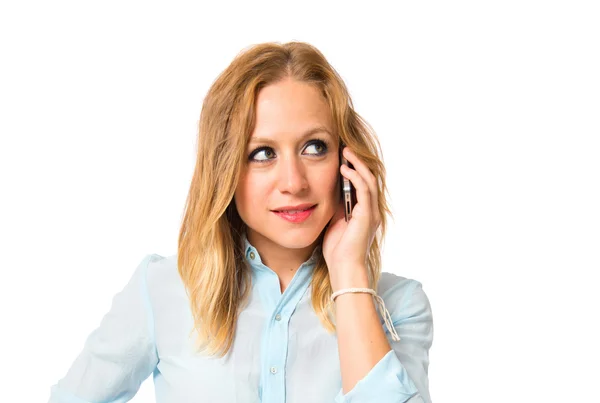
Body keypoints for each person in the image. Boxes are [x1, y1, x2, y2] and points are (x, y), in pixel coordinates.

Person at [48, 41, 434, 403]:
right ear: (225, 168)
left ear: (347, 164)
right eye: (263, 153)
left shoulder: (399, 306)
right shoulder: (163, 290)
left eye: (314, 147)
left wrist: (349, 275)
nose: (294, 182)